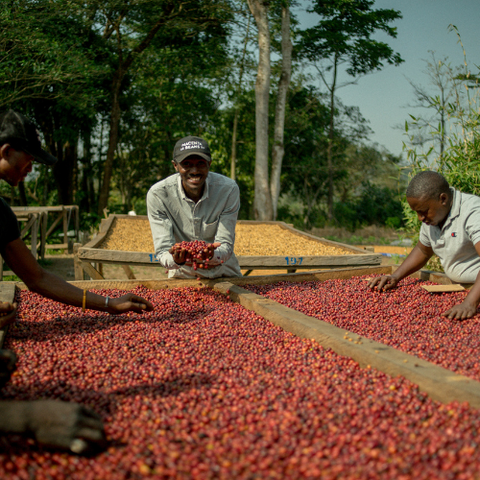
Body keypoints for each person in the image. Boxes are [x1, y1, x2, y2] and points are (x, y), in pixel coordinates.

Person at [0, 109, 154, 454]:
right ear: (5, 151)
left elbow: (37, 277)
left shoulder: (0, 214)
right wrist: (24, 419)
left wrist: (108, 304)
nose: (31, 168)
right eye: (28, 158)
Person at [368, 170, 480, 320]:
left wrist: (470, 303)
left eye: (423, 212)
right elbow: (423, 250)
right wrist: (395, 276)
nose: (420, 218)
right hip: (464, 289)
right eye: (416, 212)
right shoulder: (433, 217)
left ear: (443, 199)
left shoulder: (473, 212)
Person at [147, 135, 242, 279]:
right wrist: (177, 259)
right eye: (186, 164)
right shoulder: (159, 195)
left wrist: (211, 254)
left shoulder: (227, 190)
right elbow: (162, 252)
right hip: (183, 275)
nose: (194, 171)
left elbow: (225, 245)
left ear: (209, 164)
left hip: (224, 273)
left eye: (200, 163)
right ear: (175, 165)